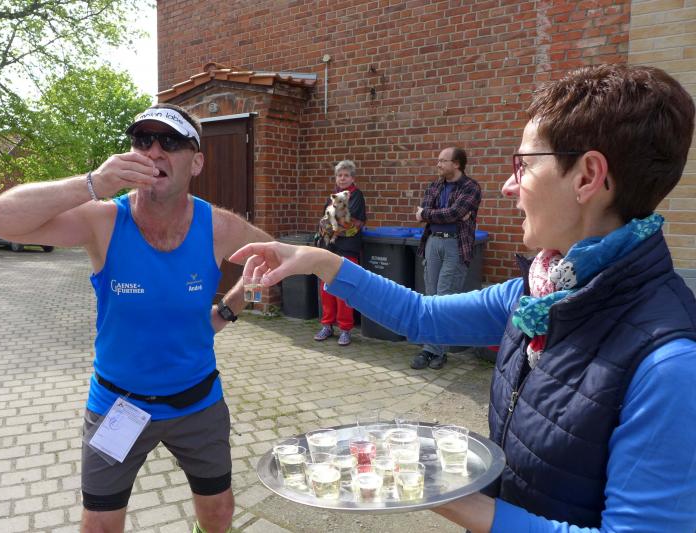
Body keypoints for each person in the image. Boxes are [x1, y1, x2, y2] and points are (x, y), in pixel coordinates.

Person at [230, 64, 696, 532]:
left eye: (524, 165)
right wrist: (319, 260)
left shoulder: (668, 366)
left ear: (587, 176)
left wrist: (436, 491)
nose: (509, 185)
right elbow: (421, 315)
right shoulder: (539, 295)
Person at [0, 103, 272, 533]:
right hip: (119, 406)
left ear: (196, 162)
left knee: (219, 514)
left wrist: (230, 309)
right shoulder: (104, 220)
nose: (154, 151)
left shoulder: (217, 226)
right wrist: (94, 183)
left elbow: (272, 262)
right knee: (99, 525)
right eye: (143, 140)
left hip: (197, 402)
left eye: (170, 141)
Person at [412, 147, 481, 370]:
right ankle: (430, 349)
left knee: (444, 298)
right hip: (432, 243)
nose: (438, 164)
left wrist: (428, 214)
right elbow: (445, 213)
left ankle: (436, 351)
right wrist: (442, 215)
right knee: (431, 297)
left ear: (457, 164)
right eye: (438, 160)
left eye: (443, 161)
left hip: (455, 245)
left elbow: (452, 213)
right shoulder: (434, 186)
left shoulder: (471, 187)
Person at [313, 160, 366, 346]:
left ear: (352, 178)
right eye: (339, 175)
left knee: (343, 290)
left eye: (346, 175)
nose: (342, 178)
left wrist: (331, 227)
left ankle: (345, 329)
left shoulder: (356, 195)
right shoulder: (333, 196)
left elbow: (352, 223)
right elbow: (325, 220)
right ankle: (327, 325)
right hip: (329, 248)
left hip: (347, 248)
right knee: (326, 289)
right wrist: (326, 226)